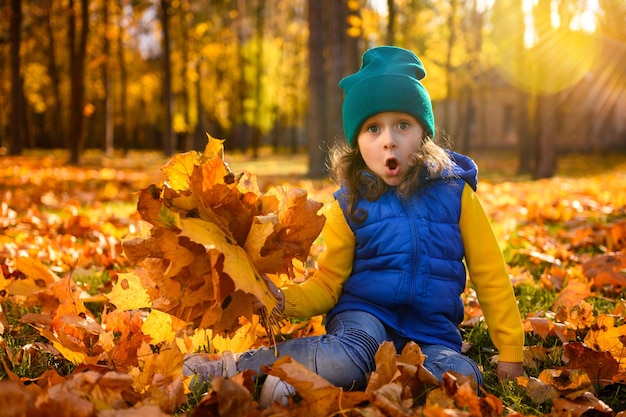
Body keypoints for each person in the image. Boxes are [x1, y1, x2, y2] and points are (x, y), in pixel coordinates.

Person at [183, 45, 525, 407]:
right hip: (364, 319)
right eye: (373, 129)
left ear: (423, 135)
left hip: (431, 334)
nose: (389, 139)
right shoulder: (350, 204)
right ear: (358, 144)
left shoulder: (456, 194)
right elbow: (329, 284)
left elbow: (490, 273)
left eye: (403, 125)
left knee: (461, 378)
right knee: (349, 355)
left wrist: (511, 350)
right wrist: (286, 300)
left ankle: (310, 387)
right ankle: (235, 368)